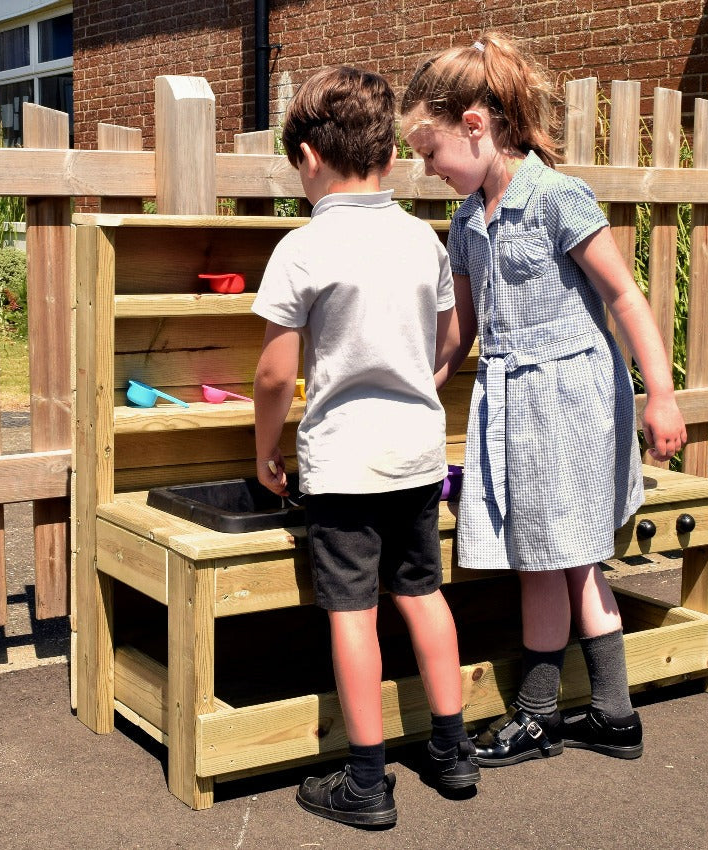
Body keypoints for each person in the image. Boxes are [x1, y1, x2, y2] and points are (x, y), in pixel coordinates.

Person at [400, 33, 687, 768]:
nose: (427, 169)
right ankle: (611, 716)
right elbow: (461, 330)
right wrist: (419, 385)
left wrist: (660, 396)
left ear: (475, 125)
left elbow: (624, 296)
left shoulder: (556, 196)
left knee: (567, 556)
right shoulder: (468, 220)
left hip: (572, 397)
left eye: (431, 151)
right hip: (510, 404)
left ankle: (540, 716)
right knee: (548, 557)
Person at [251, 65, 479, 829]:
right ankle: (452, 751)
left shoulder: (304, 247)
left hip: (345, 463)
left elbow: (274, 374)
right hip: (417, 456)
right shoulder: (422, 240)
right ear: (386, 152)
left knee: (352, 612)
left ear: (309, 157)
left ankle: (366, 781)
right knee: (422, 594)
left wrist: (265, 450)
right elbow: (446, 342)